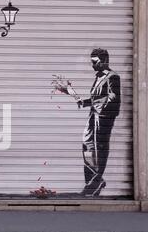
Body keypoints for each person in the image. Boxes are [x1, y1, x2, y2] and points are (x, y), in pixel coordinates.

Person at [52, 48, 121, 197]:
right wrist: (72, 95)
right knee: (87, 145)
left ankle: (94, 183)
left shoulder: (113, 77)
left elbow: (114, 99)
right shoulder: (98, 77)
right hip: (93, 116)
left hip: (103, 118)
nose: (92, 65)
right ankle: (94, 180)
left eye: (95, 62)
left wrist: (98, 108)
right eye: (92, 62)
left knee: (100, 148)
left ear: (104, 61)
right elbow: (97, 98)